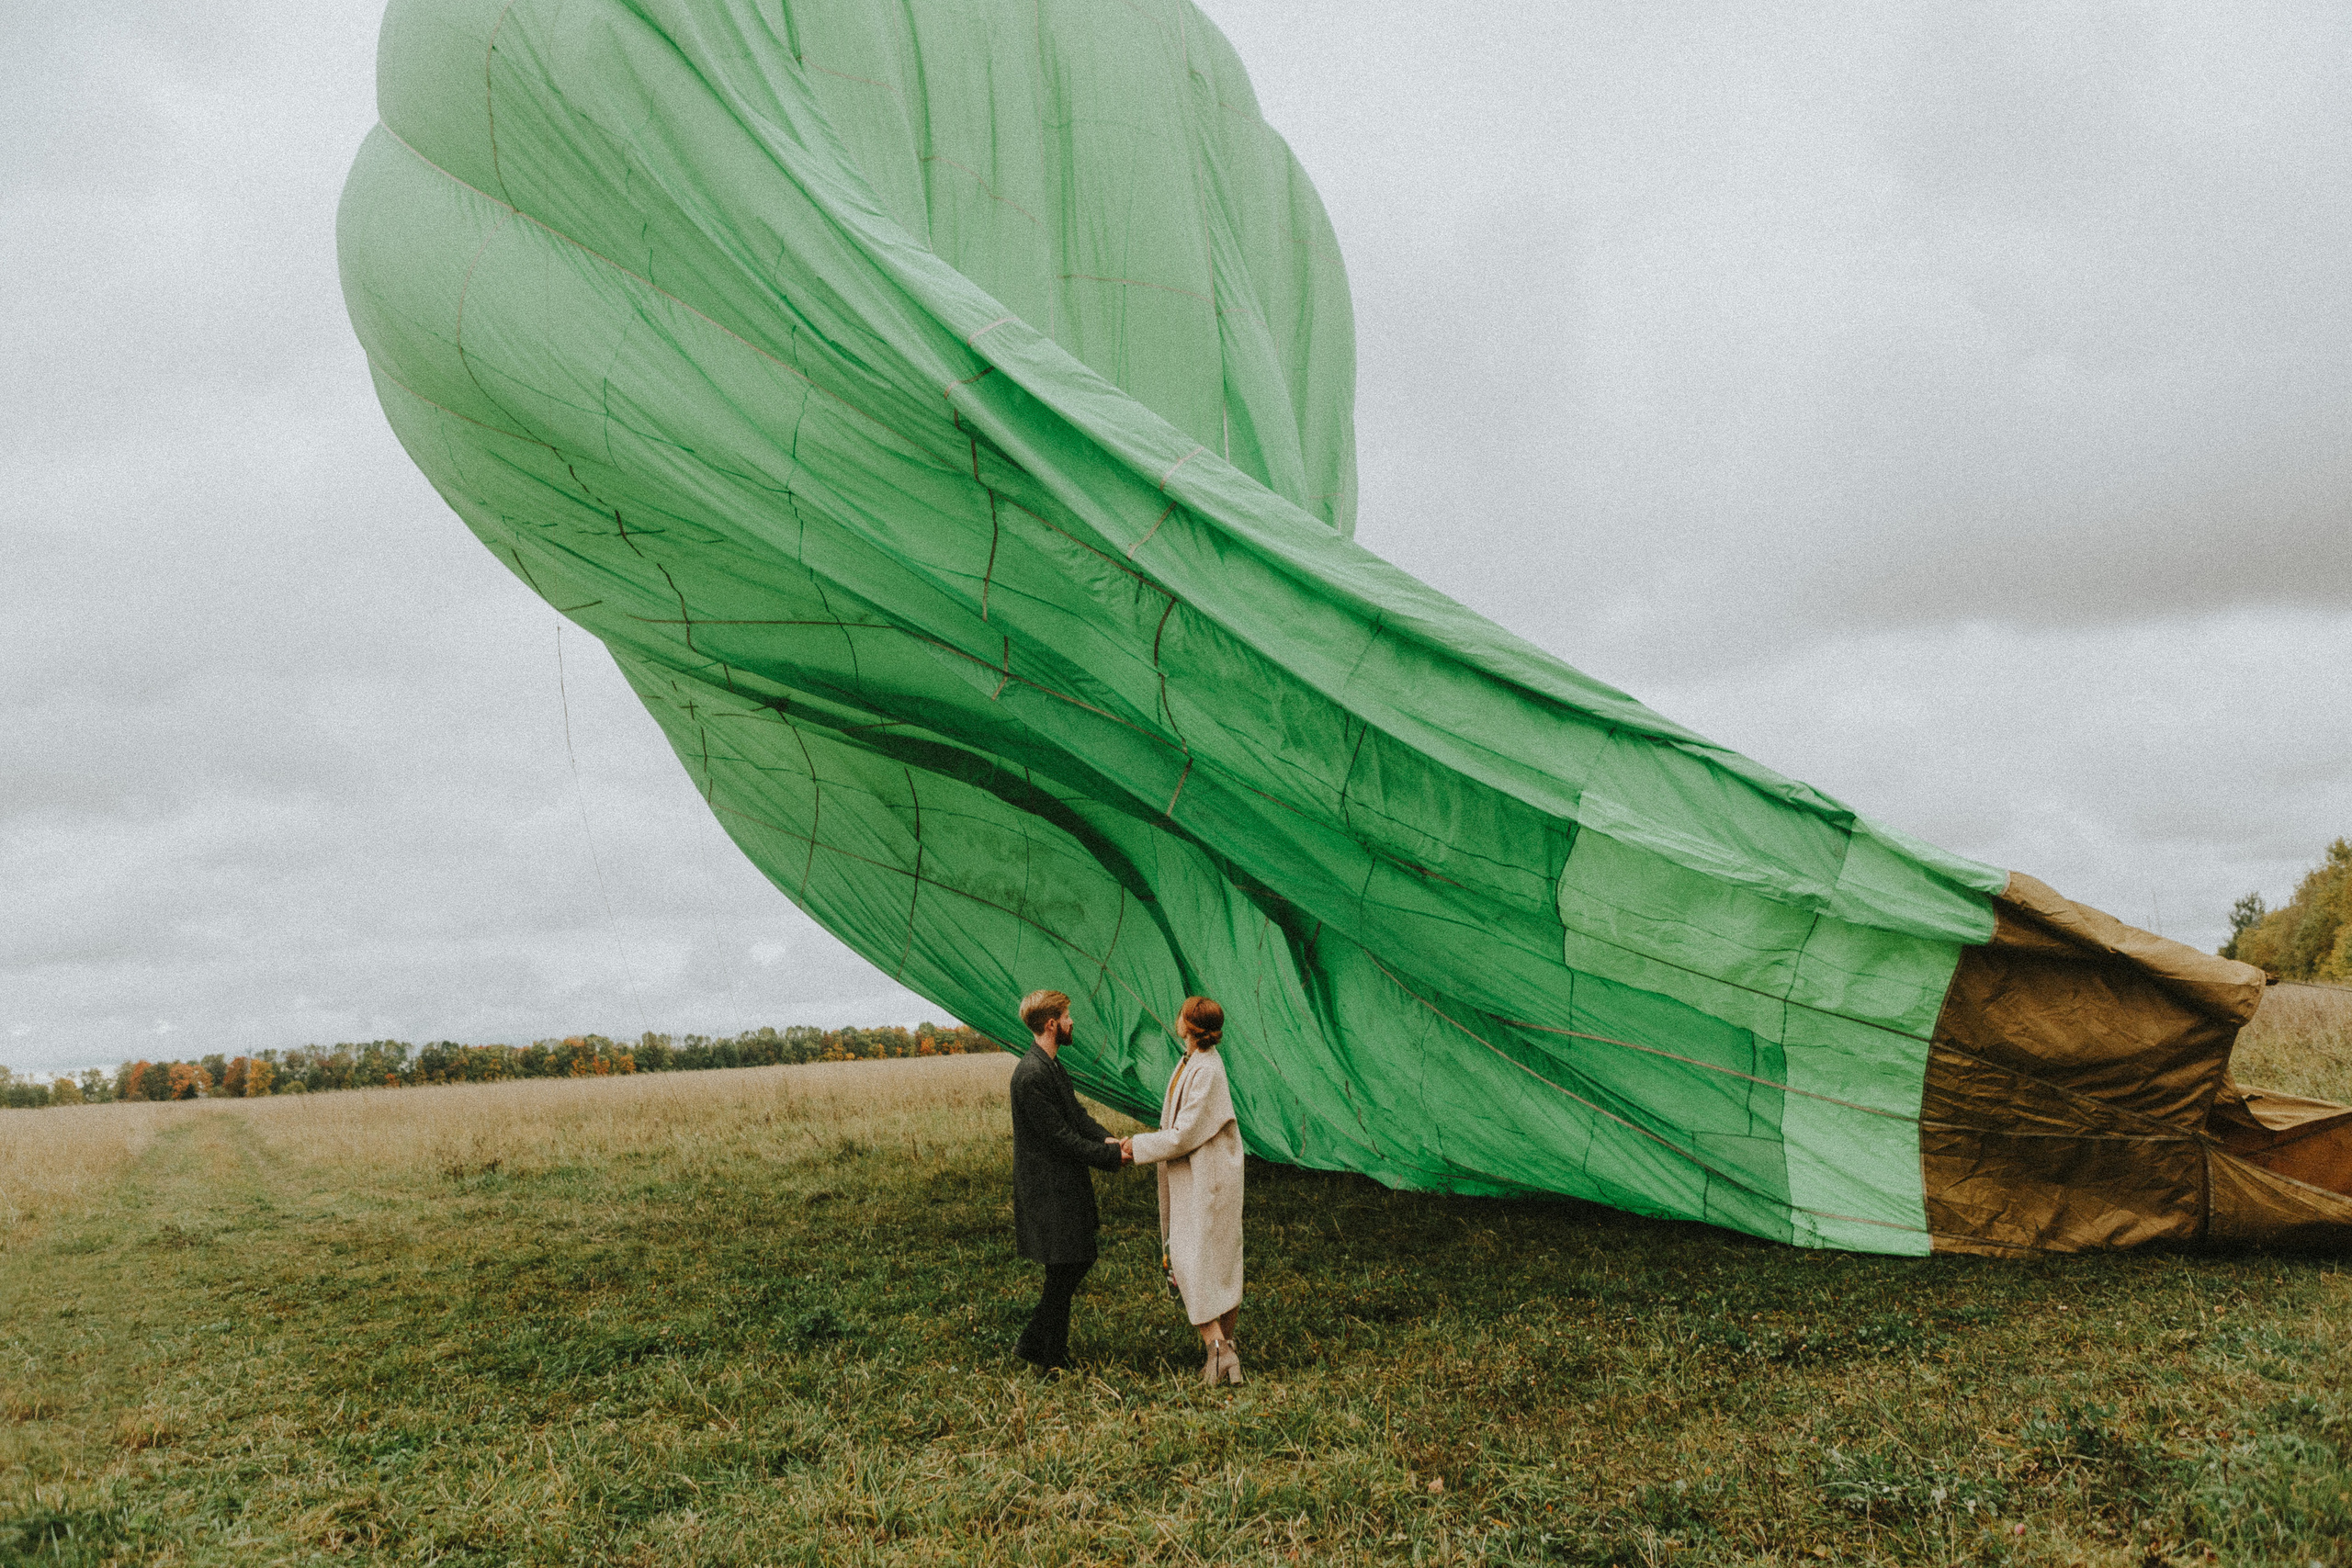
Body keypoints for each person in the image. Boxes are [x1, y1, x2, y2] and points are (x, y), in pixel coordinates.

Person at [1125, 996, 1246, 1384]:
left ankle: (1219, 1349)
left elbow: (1184, 1134)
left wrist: (1136, 1146)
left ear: (1187, 1026)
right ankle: (1224, 1353)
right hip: (1199, 1176)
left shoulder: (1206, 1068)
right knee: (1207, 1261)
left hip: (1210, 1178)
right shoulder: (1191, 1060)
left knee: (1198, 1261)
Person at [1008, 988, 1128, 1374]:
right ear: (1051, 1024)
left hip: (1062, 1184)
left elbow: (1076, 1116)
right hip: (1048, 1189)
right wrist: (1111, 1156)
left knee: (1070, 1264)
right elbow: (1059, 1137)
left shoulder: (1051, 1066)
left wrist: (1108, 1139)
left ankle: (1039, 1346)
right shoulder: (1032, 1075)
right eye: (1066, 1017)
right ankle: (1046, 1353)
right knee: (1066, 1266)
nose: (1072, 1022)